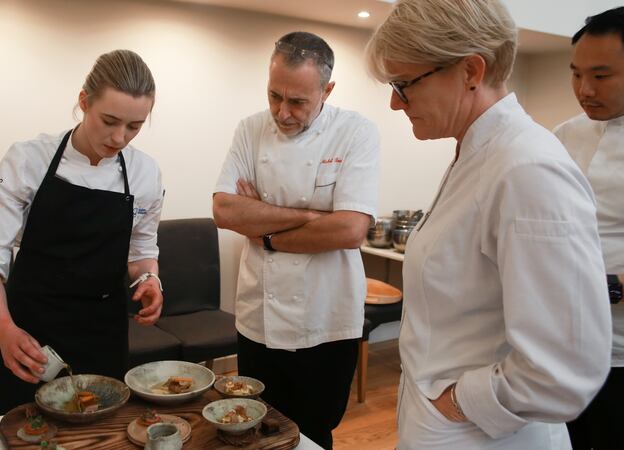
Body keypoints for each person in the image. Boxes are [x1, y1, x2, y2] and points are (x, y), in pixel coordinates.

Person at [365, 1, 612, 448]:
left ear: (470, 71)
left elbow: (564, 368)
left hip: (481, 434)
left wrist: (457, 402)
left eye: (403, 85)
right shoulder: (479, 153)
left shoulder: (526, 168)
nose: (394, 102)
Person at [0, 49, 165, 417]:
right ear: (83, 102)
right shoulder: (27, 160)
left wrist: (151, 279)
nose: (120, 137)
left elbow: (141, 250)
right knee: (23, 432)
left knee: (102, 434)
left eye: (135, 126)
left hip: (103, 333)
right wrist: (3, 330)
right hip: (29, 332)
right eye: (109, 120)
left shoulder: (145, 174)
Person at [212, 31, 380, 449]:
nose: (282, 112)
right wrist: (313, 216)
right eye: (274, 96)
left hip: (327, 317)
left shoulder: (356, 132)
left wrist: (264, 230)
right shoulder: (250, 129)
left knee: (315, 429)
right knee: (257, 424)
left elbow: (350, 230)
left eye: (298, 102)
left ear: (327, 90)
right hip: (259, 315)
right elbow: (225, 211)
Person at [553, 7, 624, 449]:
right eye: (576, 73)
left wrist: (603, 288)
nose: (584, 89)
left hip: (619, 352)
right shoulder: (564, 135)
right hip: (559, 346)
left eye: (602, 75)